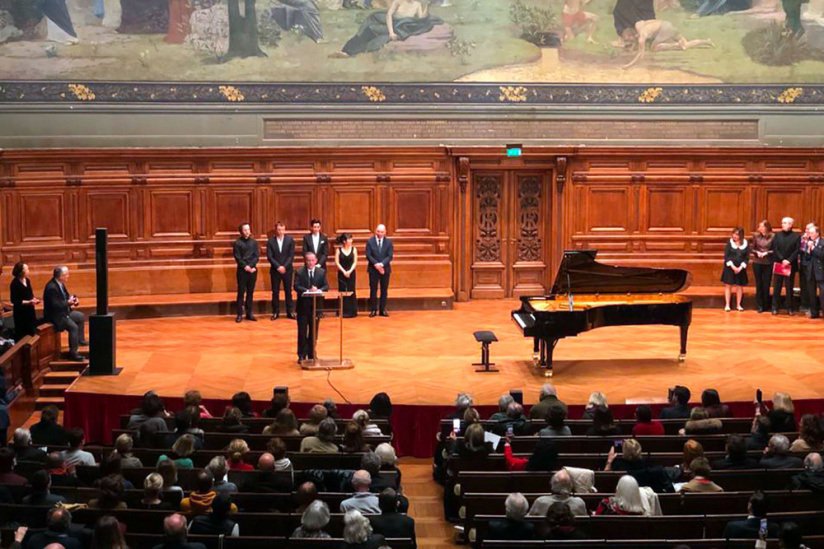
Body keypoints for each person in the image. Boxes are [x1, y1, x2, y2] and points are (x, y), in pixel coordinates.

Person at [338, 0, 443, 57]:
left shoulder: (417, 5)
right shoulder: (398, 2)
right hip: (391, 25)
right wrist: (391, 32)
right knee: (370, 28)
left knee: (376, 33)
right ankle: (347, 50)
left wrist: (428, 6)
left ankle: (352, 52)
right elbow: (389, 16)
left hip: (402, 28)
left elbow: (421, 18)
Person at [43, 265, 87, 360]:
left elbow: (66, 297)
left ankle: (80, 340)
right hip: (55, 316)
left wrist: (73, 299)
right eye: (66, 274)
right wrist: (68, 302)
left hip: (63, 312)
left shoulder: (60, 284)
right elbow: (55, 305)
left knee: (80, 316)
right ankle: (74, 353)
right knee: (73, 327)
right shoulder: (52, 287)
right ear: (60, 276)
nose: (68, 276)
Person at [294, 251, 329, 363]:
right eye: (308, 260)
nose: (310, 262)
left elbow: (326, 286)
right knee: (302, 332)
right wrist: (307, 290)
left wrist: (319, 290)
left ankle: (311, 354)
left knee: (314, 332)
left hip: (316, 307)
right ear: (305, 261)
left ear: (316, 261)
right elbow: (296, 286)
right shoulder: (299, 272)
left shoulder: (321, 272)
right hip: (303, 307)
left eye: (312, 260)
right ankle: (301, 355)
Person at [267, 221, 296, 320]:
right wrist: (278, 266)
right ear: (276, 230)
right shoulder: (271, 241)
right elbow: (270, 256)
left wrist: (284, 266)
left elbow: (291, 256)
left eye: (282, 229)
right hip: (275, 270)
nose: (280, 232)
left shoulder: (290, 240)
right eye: (279, 229)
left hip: (287, 270)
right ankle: (275, 312)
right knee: (275, 292)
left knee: (288, 291)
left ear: (285, 230)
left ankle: (290, 312)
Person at [772, 217, 801, 315]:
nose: (783, 224)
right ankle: (775, 307)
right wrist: (782, 259)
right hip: (780, 263)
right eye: (783, 222)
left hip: (790, 264)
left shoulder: (796, 236)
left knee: (789, 287)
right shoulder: (777, 235)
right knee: (777, 286)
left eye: (786, 223)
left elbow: (797, 250)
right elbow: (775, 248)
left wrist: (788, 260)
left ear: (791, 225)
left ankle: (789, 307)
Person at [233, 222, 259, 323]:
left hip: (252, 270)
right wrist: (246, 267)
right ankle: (239, 314)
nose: (247, 232)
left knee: (250, 292)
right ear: (241, 231)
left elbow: (256, 256)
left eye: (248, 229)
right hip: (242, 271)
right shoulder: (237, 243)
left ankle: (249, 313)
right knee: (241, 292)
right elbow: (238, 258)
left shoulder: (254, 242)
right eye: (245, 230)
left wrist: (251, 266)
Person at [365, 224, 393, 317]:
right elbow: (368, 255)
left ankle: (382, 309)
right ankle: (373, 309)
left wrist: (381, 264)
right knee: (373, 290)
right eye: (378, 231)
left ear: (385, 232)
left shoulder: (389, 242)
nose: (380, 234)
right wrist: (376, 264)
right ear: (375, 231)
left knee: (384, 290)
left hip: (385, 269)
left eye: (382, 232)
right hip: (373, 269)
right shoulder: (370, 241)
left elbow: (390, 256)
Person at [10, 262, 40, 340]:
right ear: (21, 271)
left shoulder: (27, 280)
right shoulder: (14, 284)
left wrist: (33, 299)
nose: (28, 271)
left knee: (32, 331)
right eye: (26, 269)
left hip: (30, 310)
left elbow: (30, 293)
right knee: (22, 333)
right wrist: (28, 302)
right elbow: (14, 300)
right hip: (21, 312)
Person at [722, 227, 749, 312]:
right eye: (733, 234)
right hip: (730, 268)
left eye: (737, 234)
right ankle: (727, 305)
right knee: (728, 285)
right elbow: (727, 256)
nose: (734, 236)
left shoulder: (745, 243)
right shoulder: (729, 243)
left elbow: (747, 257)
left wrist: (741, 267)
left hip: (740, 268)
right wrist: (733, 266)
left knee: (739, 286)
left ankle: (739, 305)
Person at [751, 220, 775, 313]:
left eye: (762, 226)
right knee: (759, 284)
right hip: (757, 262)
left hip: (768, 262)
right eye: (759, 226)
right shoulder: (756, 236)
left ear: (766, 227)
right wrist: (757, 252)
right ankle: (760, 305)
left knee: (766, 284)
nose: (760, 228)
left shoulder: (773, 236)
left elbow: (775, 249)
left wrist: (766, 253)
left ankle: (766, 304)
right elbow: (752, 248)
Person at [335, 233, 358, 318]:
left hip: (351, 273)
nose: (351, 241)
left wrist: (349, 271)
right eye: (349, 239)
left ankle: (352, 311)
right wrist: (344, 271)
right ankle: (342, 311)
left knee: (351, 290)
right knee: (342, 290)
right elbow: (337, 262)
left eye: (351, 239)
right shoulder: (338, 250)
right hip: (342, 273)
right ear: (344, 241)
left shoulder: (354, 249)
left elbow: (355, 262)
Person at [809, 225, 824, 318]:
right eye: (809, 233)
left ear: (817, 233)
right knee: (811, 293)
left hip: (821, 271)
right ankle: (814, 313)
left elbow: (822, 255)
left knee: (823, 294)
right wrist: (808, 249)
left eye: (812, 233)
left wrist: (813, 248)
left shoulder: (822, 242)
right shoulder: (809, 243)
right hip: (811, 271)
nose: (810, 235)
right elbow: (806, 257)